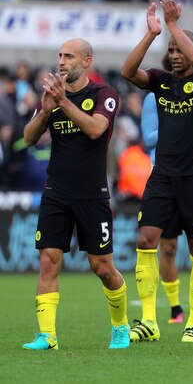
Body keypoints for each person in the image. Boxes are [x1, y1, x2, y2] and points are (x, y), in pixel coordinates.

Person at [121, 0, 193, 343]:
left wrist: (175, 25)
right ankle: (149, 320)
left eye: (180, 50)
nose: (175, 55)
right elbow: (127, 72)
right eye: (171, 50)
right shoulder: (162, 82)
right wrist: (152, 34)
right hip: (161, 176)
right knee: (146, 240)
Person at [22, 38, 130, 350]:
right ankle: (47, 336)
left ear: (86, 61)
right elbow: (28, 138)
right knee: (48, 260)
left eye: (68, 56)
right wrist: (44, 111)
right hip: (56, 191)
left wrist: (63, 103)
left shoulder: (103, 94)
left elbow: (96, 129)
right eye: (59, 55)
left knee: (102, 268)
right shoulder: (51, 97)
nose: (61, 62)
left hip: (92, 194)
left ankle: (120, 327)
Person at [141, 55, 193, 324]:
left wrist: (191, 126)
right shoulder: (154, 95)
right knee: (166, 247)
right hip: (164, 174)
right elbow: (148, 136)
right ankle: (175, 308)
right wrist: (177, 126)